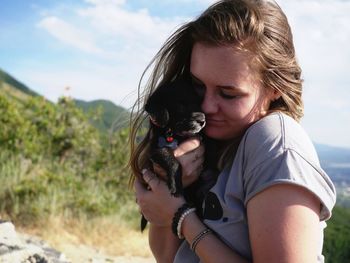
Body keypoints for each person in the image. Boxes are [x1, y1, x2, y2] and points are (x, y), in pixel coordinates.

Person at [129, 0, 336, 262]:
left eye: (228, 94)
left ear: (274, 89)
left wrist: (182, 217)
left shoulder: (275, 144)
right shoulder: (211, 141)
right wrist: (175, 188)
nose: (205, 106)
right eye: (197, 86)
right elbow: (167, 256)